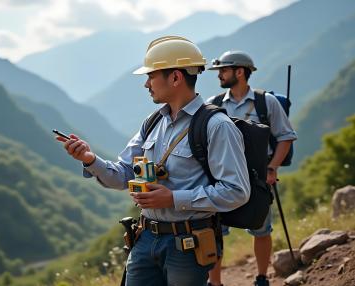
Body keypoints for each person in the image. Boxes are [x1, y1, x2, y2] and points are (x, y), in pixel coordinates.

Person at [57, 36, 251, 286]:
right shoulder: (152, 123)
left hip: (188, 245)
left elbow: (237, 191)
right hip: (145, 237)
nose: (146, 84)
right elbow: (125, 173)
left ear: (175, 77)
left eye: (151, 76)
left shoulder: (217, 126)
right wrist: (90, 159)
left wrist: (173, 198)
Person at [206, 51, 298, 286]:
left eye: (223, 71)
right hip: (221, 178)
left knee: (261, 229)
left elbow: (286, 137)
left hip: (258, 178)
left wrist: (272, 168)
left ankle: (261, 278)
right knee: (215, 233)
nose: (219, 75)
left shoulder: (266, 102)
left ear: (240, 71)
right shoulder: (212, 105)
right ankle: (214, 283)